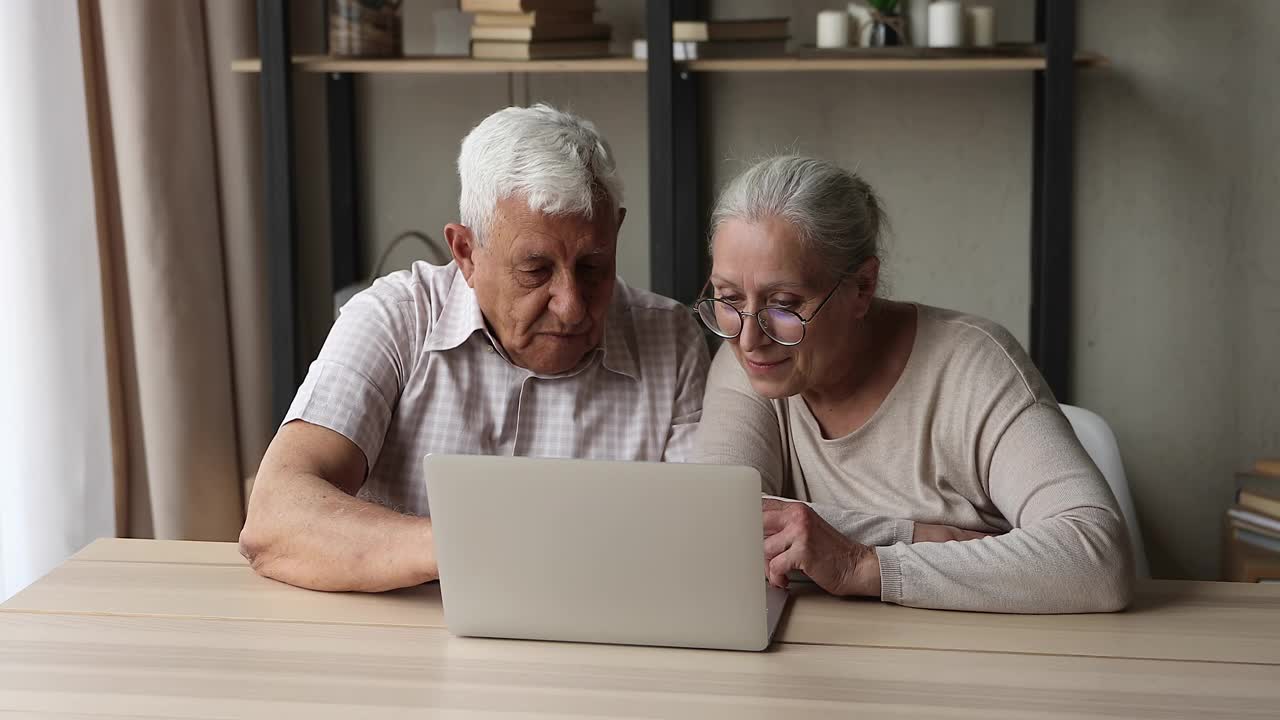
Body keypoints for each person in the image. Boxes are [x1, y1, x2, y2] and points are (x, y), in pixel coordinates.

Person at [240, 105, 709, 592]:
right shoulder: (396, 318)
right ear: (465, 252)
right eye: (535, 270)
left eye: (593, 267)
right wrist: (476, 543)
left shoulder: (670, 339)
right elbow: (276, 518)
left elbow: (703, 541)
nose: (571, 306)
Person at [693, 155, 1132, 613]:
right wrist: (915, 535)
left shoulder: (972, 366)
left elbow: (1097, 556)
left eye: (783, 304)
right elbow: (718, 523)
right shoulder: (749, 361)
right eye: (728, 298)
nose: (748, 338)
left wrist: (861, 566)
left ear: (862, 287)